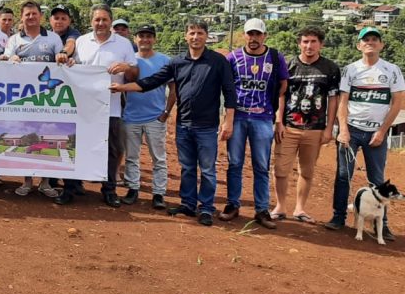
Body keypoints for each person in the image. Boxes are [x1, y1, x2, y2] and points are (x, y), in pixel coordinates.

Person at [112, 21, 236, 227]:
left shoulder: (217, 61)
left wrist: (228, 120)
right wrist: (122, 87)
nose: (195, 37)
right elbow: (151, 81)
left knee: (207, 169)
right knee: (187, 167)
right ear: (186, 36)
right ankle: (188, 204)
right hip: (184, 124)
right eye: (192, 33)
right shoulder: (177, 62)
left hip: (207, 125)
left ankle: (206, 207)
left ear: (206, 36)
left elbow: (229, 91)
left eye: (200, 33)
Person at [325, 26, 405, 238]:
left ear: (381, 45)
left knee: (377, 179)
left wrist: (382, 131)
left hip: (376, 133)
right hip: (351, 131)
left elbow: (397, 103)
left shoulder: (392, 70)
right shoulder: (350, 70)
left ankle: (382, 224)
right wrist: (343, 130)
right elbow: (343, 101)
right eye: (366, 39)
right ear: (359, 45)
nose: (370, 42)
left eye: (374, 39)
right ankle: (338, 217)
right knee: (344, 176)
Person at [61, 4, 138, 208]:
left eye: (104, 19)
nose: (101, 23)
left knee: (112, 150)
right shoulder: (82, 41)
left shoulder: (123, 44)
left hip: (111, 107)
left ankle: (109, 190)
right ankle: (70, 188)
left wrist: (126, 67)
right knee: (76, 147)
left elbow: (134, 74)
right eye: (97, 19)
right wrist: (70, 64)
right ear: (91, 22)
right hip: (83, 108)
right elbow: (74, 68)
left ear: (110, 21)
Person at [219, 19, 288, 229]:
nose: (254, 38)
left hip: (263, 118)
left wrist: (277, 115)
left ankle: (262, 209)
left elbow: (283, 85)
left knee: (261, 165)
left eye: (258, 34)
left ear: (265, 36)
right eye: (250, 34)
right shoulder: (233, 58)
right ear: (244, 35)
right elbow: (226, 87)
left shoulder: (275, 57)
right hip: (238, 117)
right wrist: (227, 119)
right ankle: (232, 204)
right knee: (235, 163)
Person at [272, 27, 339, 223]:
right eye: (305, 41)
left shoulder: (330, 68)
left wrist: (329, 128)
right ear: (299, 44)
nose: (309, 46)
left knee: (307, 171)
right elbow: (281, 95)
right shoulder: (288, 65)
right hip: (288, 127)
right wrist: (279, 121)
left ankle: (300, 208)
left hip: (315, 129)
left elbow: (333, 99)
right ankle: (280, 206)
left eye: (313, 41)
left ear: (321, 44)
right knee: (280, 169)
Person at [1, 1, 67, 198]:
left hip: (47, 98)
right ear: (22, 17)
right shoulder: (14, 39)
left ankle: (45, 183)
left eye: (34, 14)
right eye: (27, 14)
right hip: (24, 98)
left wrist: (63, 57)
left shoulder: (53, 38)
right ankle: (27, 182)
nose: (31, 17)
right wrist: (10, 58)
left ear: (41, 16)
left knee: (46, 135)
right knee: (28, 138)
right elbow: (5, 58)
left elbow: (61, 60)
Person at [120, 25, 175, 209]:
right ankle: (133, 189)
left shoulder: (165, 61)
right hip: (131, 116)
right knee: (131, 157)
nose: (145, 39)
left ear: (154, 39)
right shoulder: (129, 61)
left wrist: (166, 112)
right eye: (141, 36)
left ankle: (159, 193)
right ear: (135, 39)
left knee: (158, 158)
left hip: (155, 117)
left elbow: (173, 89)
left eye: (149, 36)